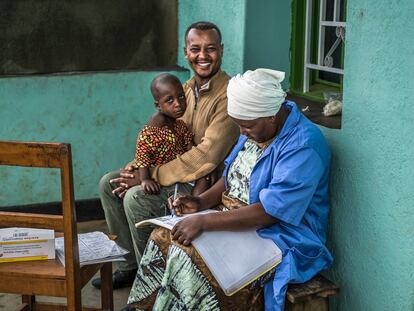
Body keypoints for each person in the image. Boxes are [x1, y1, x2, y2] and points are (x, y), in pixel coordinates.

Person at [126, 69, 333, 311]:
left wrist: (204, 223)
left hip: (280, 235)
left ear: (271, 116)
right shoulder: (257, 126)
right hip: (236, 218)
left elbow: (271, 212)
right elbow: (232, 175)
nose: (242, 133)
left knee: (191, 257)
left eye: (246, 126)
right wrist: (201, 203)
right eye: (239, 126)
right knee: (162, 237)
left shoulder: (303, 146)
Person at [92, 21, 239, 291]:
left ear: (221, 51)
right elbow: (155, 136)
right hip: (175, 169)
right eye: (196, 49)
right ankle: (130, 266)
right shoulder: (184, 89)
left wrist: (148, 177)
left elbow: (206, 156)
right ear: (186, 52)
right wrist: (135, 169)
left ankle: (152, 287)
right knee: (109, 183)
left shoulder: (229, 96)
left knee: (137, 197)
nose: (202, 56)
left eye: (210, 49)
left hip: (203, 181)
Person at [134, 73, 210, 196]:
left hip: (181, 171)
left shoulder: (179, 126)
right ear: (158, 105)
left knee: (205, 176)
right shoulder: (151, 132)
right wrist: (145, 179)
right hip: (164, 176)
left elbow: (190, 148)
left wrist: (202, 165)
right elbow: (143, 158)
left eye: (181, 97)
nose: (178, 104)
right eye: (169, 100)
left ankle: (196, 204)